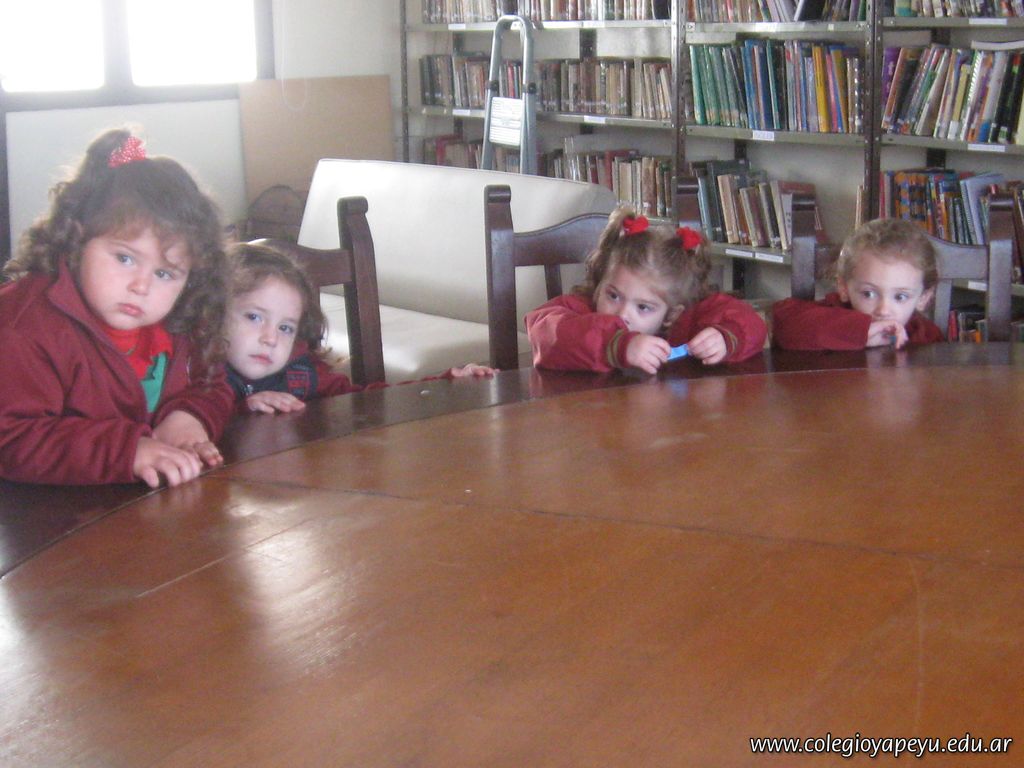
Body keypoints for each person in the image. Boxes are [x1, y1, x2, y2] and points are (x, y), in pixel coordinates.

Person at [0, 128, 234, 488]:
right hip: (50, 514)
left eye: (164, 273)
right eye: (125, 258)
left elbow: (212, 383)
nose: (142, 286)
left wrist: (190, 416)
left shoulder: (182, 316)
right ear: (77, 238)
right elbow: (12, 439)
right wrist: (127, 451)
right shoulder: (23, 325)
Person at [225, 242, 495, 414]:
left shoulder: (303, 372)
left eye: (285, 328)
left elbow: (368, 402)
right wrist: (241, 411)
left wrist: (446, 383)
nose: (270, 338)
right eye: (254, 317)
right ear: (212, 315)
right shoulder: (204, 380)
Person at [525, 208, 767, 374]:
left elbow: (753, 323)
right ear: (600, 283)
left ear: (671, 314)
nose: (622, 314)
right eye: (613, 295)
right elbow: (544, 332)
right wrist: (618, 345)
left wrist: (726, 338)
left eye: (643, 307)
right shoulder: (580, 309)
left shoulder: (685, 320)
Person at [771, 217, 944, 351]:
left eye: (900, 297)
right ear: (844, 288)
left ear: (923, 297)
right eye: (868, 294)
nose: (883, 310)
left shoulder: (926, 336)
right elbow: (783, 324)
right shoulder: (829, 314)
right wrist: (857, 332)